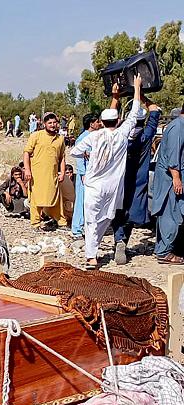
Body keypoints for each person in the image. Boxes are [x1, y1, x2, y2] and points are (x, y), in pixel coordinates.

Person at [70, 76, 143, 269]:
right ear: (118, 121)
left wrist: (89, 153)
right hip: (113, 187)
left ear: (101, 122)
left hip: (94, 185)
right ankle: (94, 249)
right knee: (106, 218)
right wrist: (136, 89)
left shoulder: (94, 136)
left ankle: (91, 256)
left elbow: (74, 151)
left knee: (91, 221)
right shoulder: (122, 133)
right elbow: (134, 113)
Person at [111, 91, 161, 264]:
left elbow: (110, 121)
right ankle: (123, 241)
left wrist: (116, 98)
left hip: (119, 180)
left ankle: (119, 240)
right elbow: (155, 111)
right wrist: (141, 96)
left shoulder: (120, 136)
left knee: (119, 211)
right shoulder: (146, 137)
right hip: (139, 182)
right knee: (132, 212)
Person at [150, 105, 184, 264]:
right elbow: (173, 156)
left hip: (173, 178)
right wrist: (176, 178)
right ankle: (165, 252)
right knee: (172, 215)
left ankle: (164, 249)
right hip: (171, 180)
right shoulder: (178, 128)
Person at [23, 112, 67, 232]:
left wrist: (62, 172)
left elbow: (62, 157)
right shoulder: (36, 136)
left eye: (54, 122)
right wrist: (27, 169)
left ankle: (61, 222)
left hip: (52, 174)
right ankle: (35, 223)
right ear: (44, 124)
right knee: (37, 198)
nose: (52, 125)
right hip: (37, 174)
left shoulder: (60, 139)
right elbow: (26, 153)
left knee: (56, 197)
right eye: (50, 123)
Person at [71, 113, 102, 239]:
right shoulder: (83, 138)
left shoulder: (95, 136)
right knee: (81, 201)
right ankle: (77, 228)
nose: (99, 124)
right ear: (91, 124)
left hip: (94, 174)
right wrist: (82, 173)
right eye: (97, 121)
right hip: (85, 175)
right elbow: (79, 157)